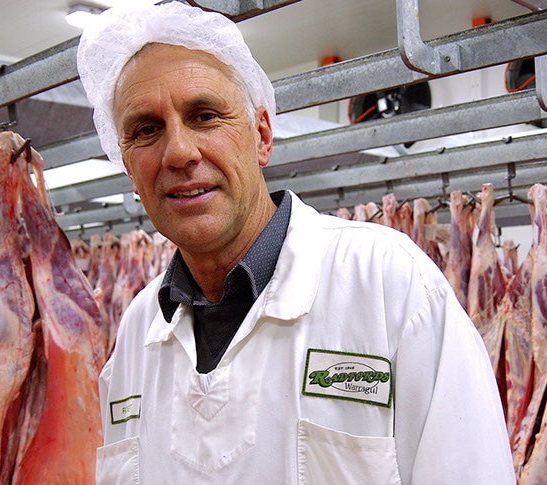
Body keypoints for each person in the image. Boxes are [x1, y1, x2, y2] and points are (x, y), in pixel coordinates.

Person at [76, 2, 515, 483]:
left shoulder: (390, 285)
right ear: (128, 168)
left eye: (204, 115)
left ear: (262, 136)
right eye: (146, 130)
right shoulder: (138, 329)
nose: (179, 151)